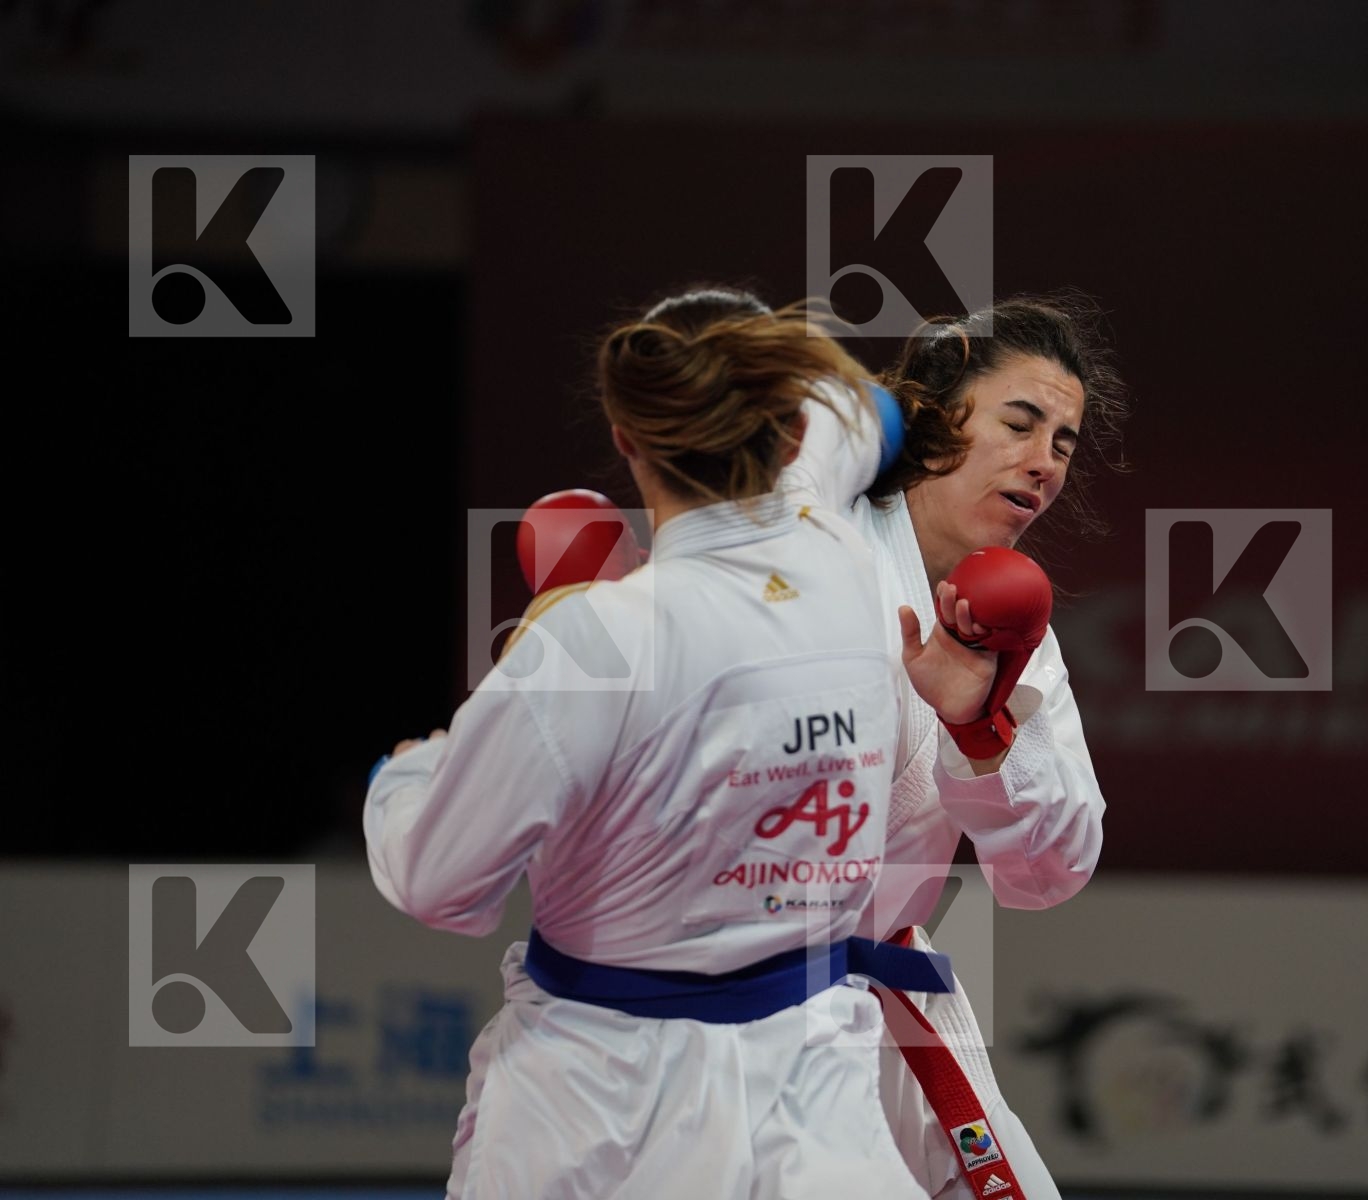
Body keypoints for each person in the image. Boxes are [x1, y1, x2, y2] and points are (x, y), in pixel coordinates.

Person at [364, 289, 939, 1199]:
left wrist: (405, 775)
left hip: (589, 1109)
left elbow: (442, 886)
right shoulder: (833, 544)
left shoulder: (591, 641)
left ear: (626, 440)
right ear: (791, 434)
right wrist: (845, 407)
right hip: (817, 1100)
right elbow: (871, 411)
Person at [786, 293, 1129, 1200]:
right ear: (939, 415)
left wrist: (980, 729)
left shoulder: (1016, 634)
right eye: (1021, 422)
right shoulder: (808, 554)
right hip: (724, 1003)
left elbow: (1051, 872)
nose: (1045, 462)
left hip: (876, 1003)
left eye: (1062, 442)